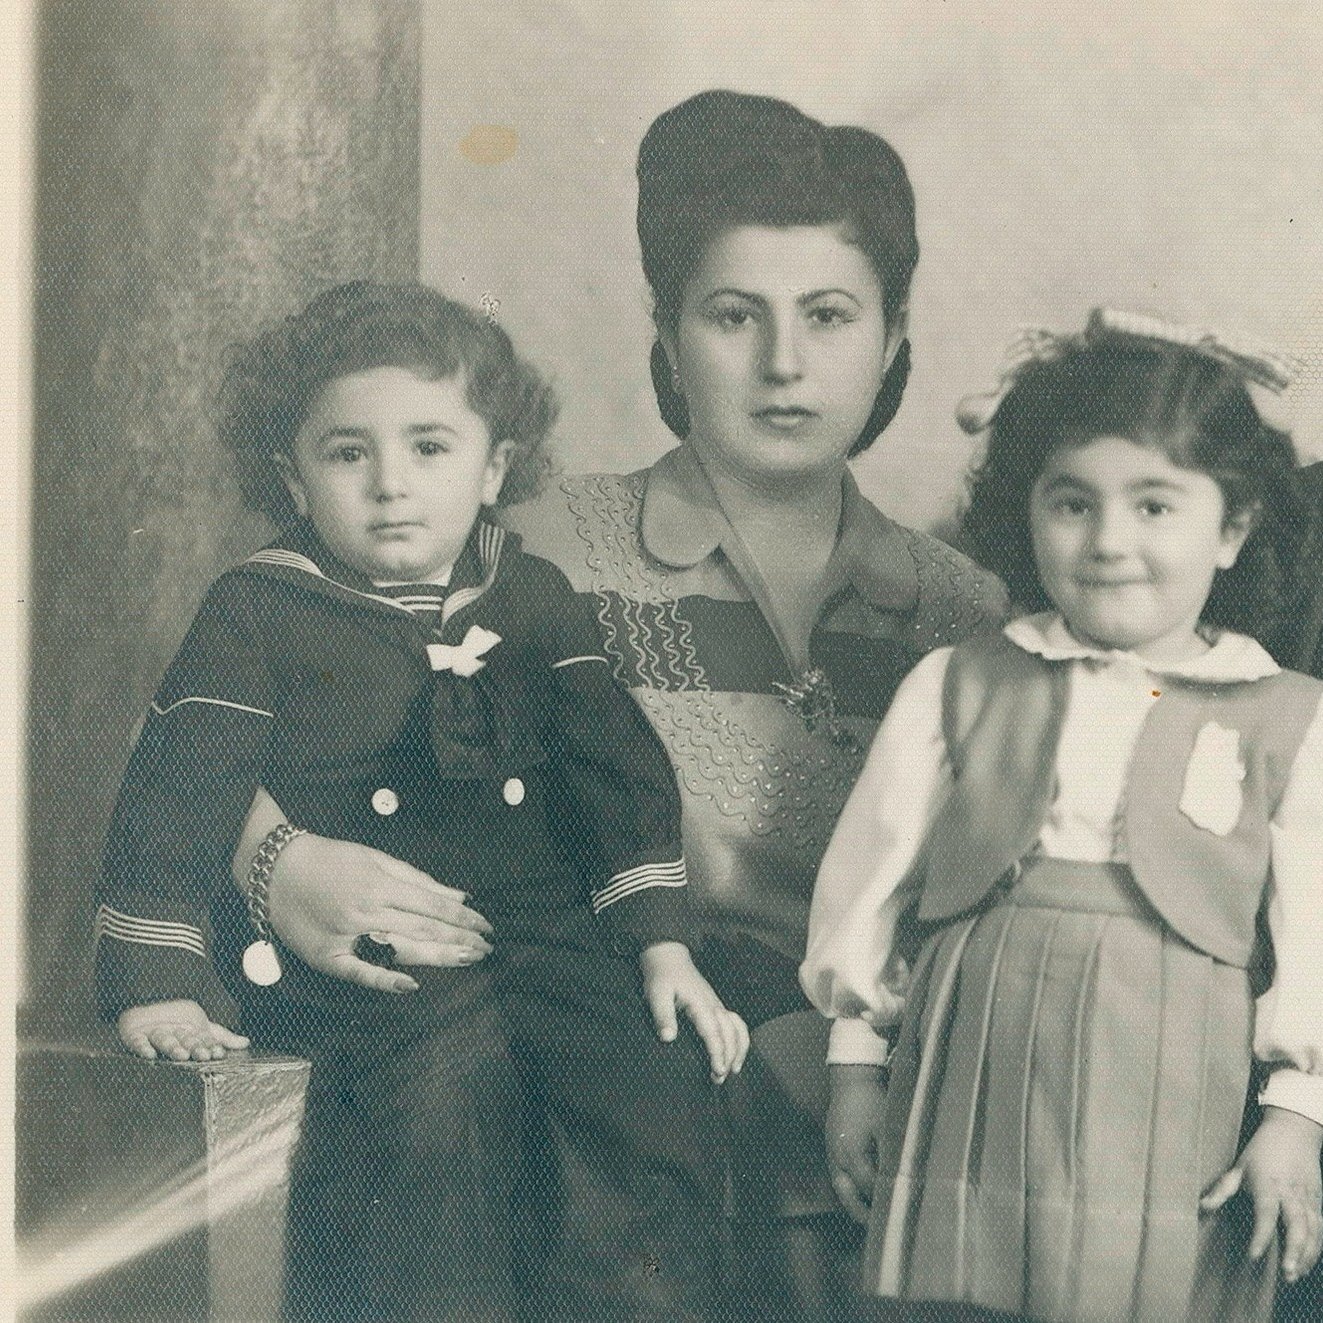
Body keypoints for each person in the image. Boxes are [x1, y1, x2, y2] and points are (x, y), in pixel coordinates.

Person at [240, 91, 1006, 1320]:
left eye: (829, 316)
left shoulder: (965, 615)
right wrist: (278, 859)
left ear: (894, 331)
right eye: (732, 315)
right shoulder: (534, 554)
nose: (784, 364)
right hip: (581, 1102)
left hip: (866, 1104)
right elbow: (227, 704)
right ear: (667, 329)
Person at [94, 281, 748, 1323]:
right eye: (348, 454)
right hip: (362, 953)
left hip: (538, 928)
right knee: (441, 1099)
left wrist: (660, 943)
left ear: (494, 469)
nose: (392, 485)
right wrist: (156, 976)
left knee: (645, 1067)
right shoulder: (257, 607)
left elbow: (614, 773)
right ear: (293, 477)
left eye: (430, 450)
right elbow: (182, 785)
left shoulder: (530, 596)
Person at [802, 309, 1323, 1322]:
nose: (1109, 543)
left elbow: (1319, 942)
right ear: (1026, 512)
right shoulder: (956, 684)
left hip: (1177, 1074)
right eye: (1072, 503)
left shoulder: (1288, 718)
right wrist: (857, 1068)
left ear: (1233, 527)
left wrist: (1296, 1115)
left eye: (1156, 506)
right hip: (977, 1054)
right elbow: (870, 884)